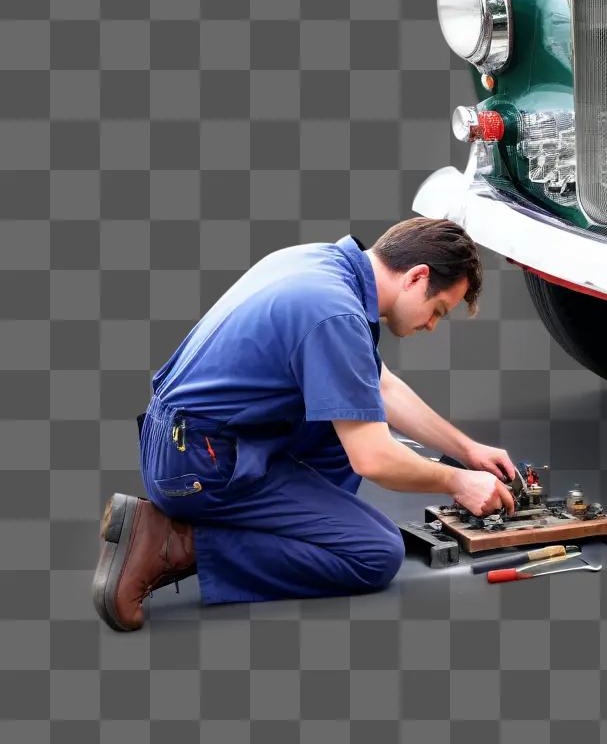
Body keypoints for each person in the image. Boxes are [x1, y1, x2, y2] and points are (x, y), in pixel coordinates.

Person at [92, 217, 517, 631]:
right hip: (197, 467)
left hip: (180, 442)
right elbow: (373, 460)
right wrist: (458, 483)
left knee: (351, 416)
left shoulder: (321, 264)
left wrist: (468, 451)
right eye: (437, 309)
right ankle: (173, 542)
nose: (431, 325)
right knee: (375, 554)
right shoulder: (336, 314)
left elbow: (378, 388)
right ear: (416, 277)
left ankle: (288, 529)